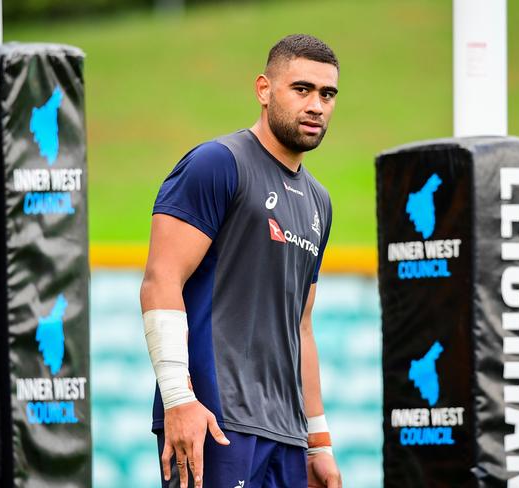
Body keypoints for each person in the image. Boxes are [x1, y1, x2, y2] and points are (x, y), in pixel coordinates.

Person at [140, 33, 342, 488]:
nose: (316, 105)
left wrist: (318, 442)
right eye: (302, 89)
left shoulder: (319, 203)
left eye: (327, 94)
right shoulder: (216, 163)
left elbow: (302, 326)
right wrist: (178, 400)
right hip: (214, 423)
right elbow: (160, 281)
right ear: (264, 90)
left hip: (287, 435)